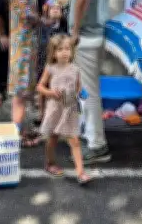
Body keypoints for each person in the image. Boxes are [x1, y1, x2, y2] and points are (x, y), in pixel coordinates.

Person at [64, 0, 114, 164]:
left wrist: (73, 32)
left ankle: (97, 145)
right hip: (98, 31)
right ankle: (92, 136)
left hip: (86, 33)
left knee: (89, 91)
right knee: (88, 88)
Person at [0, 0, 50, 108]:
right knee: (3, 54)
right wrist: (2, 35)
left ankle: (35, 94)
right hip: (9, 29)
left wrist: (50, 11)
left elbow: (46, 6)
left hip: (32, 32)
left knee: (37, 60)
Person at [36, 34, 92, 184]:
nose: (64, 52)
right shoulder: (50, 69)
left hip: (70, 108)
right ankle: (50, 163)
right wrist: (50, 92)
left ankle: (80, 173)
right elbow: (40, 87)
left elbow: (78, 86)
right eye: (60, 49)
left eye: (67, 49)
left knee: (74, 140)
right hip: (55, 108)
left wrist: (82, 93)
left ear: (72, 51)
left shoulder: (75, 69)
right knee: (53, 138)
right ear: (53, 53)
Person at [4, 0, 41, 147]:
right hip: (24, 44)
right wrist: (44, 19)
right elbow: (27, 14)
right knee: (20, 91)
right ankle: (16, 134)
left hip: (26, 42)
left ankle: (20, 130)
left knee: (24, 90)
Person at [35, 0, 68, 122]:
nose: (55, 10)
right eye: (52, 8)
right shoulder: (42, 26)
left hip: (59, 63)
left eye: (58, 8)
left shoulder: (64, 25)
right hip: (44, 61)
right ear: (47, 11)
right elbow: (41, 42)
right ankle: (42, 114)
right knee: (43, 88)